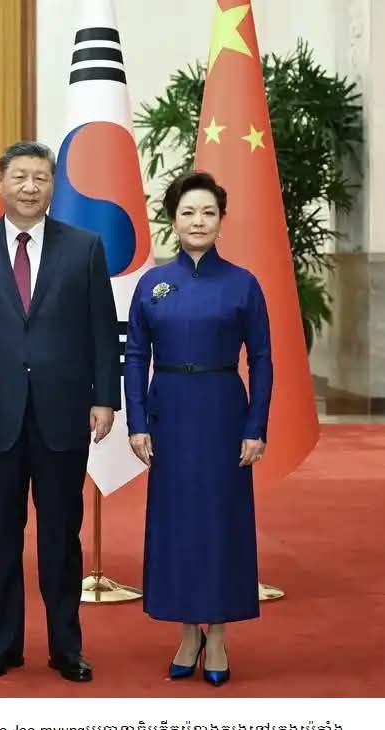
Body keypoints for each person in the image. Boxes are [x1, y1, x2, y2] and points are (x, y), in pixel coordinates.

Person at [0, 141, 120, 683]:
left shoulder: (84, 248)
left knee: (61, 533)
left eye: (40, 178)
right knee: (1, 531)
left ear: (53, 186)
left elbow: (101, 329)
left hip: (63, 410)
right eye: (19, 176)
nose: (29, 187)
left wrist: (105, 397)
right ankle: (2, 646)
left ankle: (66, 647)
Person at [124, 171, 273, 686]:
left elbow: (262, 358)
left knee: (221, 522)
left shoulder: (242, 283)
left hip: (223, 412)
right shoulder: (152, 284)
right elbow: (135, 356)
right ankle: (188, 631)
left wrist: (256, 426)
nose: (198, 221)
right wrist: (137, 422)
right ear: (173, 219)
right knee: (177, 523)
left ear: (221, 220)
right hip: (168, 412)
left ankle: (219, 634)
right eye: (188, 212)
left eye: (208, 212)